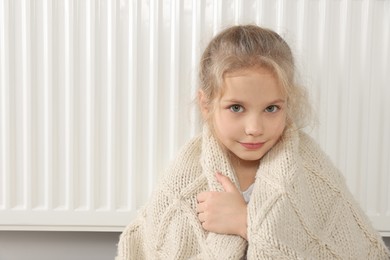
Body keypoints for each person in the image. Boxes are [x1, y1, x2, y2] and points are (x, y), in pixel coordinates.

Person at [116, 25, 390, 259]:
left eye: (271, 109)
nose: (255, 129)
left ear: (288, 103)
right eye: (236, 108)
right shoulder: (185, 177)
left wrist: (245, 223)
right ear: (207, 104)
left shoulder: (310, 170)